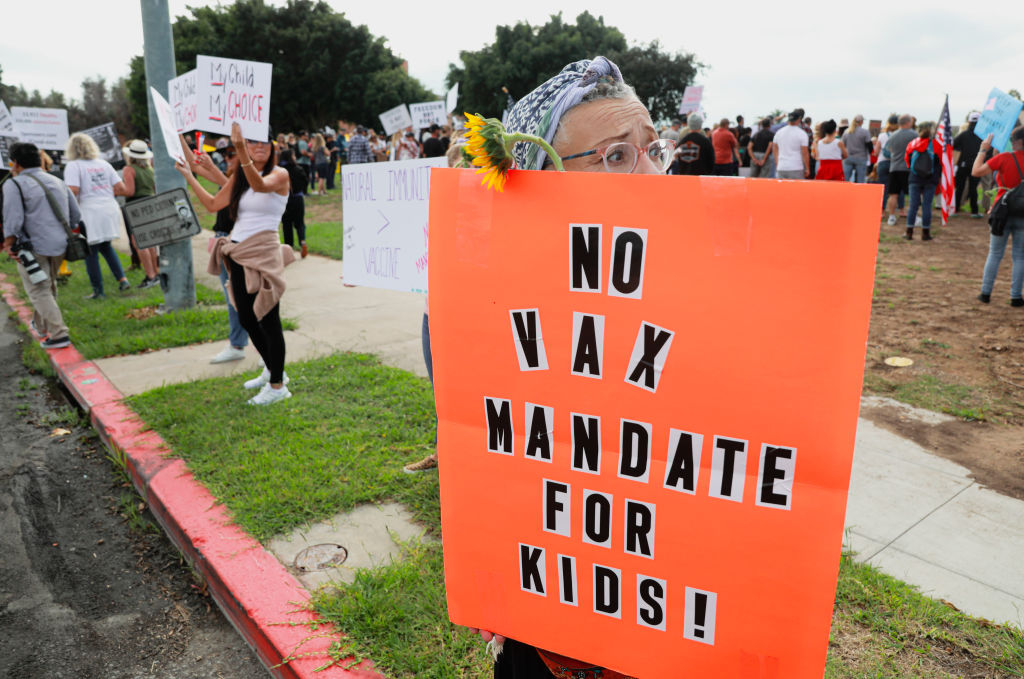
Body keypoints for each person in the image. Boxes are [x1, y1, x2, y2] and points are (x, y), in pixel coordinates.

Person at [470, 55, 670, 679]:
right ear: (543, 180)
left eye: (653, 150)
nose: (651, 173)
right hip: (549, 639)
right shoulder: (505, 315)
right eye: (615, 156)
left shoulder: (698, 292)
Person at [177, 122, 295, 404]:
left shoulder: (279, 175)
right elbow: (213, 204)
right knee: (245, 316)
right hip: (238, 251)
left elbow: (260, 184)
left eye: (264, 144)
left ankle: (278, 386)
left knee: (268, 316)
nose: (258, 148)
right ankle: (272, 370)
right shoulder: (240, 177)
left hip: (263, 251)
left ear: (273, 147)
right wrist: (188, 173)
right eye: (252, 143)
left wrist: (241, 150)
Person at [1, 142, 78, 349]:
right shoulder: (57, 180)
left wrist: (8, 244)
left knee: (39, 290)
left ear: (15, 163)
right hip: (61, 244)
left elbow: (13, 220)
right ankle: (42, 326)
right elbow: (75, 215)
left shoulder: (14, 185)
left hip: (31, 247)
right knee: (48, 286)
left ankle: (59, 334)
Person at [63, 132, 131, 299]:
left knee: (90, 251)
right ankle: (122, 279)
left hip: (89, 210)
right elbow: (121, 188)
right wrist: (104, 193)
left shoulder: (73, 166)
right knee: (106, 246)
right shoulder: (104, 164)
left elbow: (73, 190)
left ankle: (98, 291)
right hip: (108, 207)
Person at [973, 127, 1024, 306]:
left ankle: (985, 293)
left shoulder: (1004, 158)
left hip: (1001, 209)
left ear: (1015, 141)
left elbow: (976, 171)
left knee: (995, 253)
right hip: (1023, 213)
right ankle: (1016, 297)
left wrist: (983, 149)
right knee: (1020, 256)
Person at [120, 140, 160, 288]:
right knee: (150, 241)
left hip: (136, 205)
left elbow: (129, 191)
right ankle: (156, 272)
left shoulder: (129, 169)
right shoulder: (150, 169)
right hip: (150, 202)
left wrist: (116, 190)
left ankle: (150, 276)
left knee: (139, 242)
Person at [903, 121, 942, 240]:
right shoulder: (936, 144)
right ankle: (925, 233)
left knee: (913, 205)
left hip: (914, 178)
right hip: (930, 180)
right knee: (927, 206)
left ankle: (909, 232)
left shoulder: (912, 143)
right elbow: (940, 163)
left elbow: (907, 161)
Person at [884, 114, 917, 226]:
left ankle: (892, 217)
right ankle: (914, 217)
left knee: (893, 194)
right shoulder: (914, 135)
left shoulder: (892, 135)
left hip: (894, 167)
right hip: (908, 168)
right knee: (912, 194)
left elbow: (886, 151)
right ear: (908, 122)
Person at [277, 148, 308, 257]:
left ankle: (288, 249)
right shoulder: (298, 169)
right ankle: (302, 242)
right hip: (298, 198)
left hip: (283, 200)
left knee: (286, 224)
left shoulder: (278, 170)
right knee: (300, 223)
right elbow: (305, 181)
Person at [954, 112, 983, 218]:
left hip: (962, 165)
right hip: (976, 165)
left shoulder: (963, 134)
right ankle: (974, 211)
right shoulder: (982, 135)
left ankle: (955, 209)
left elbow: (953, 144)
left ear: (969, 121)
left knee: (960, 188)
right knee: (973, 188)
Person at [773, 109, 810, 179]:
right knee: (796, 189)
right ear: (799, 119)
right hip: (796, 166)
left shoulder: (779, 132)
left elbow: (775, 149)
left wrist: (778, 163)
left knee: (783, 189)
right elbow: (805, 152)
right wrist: (807, 168)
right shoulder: (802, 134)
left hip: (781, 166)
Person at [874, 114, 900, 213]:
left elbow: (876, 152)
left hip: (882, 162)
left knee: (883, 188)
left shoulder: (882, 135)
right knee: (896, 189)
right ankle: (900, 209)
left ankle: (882, 210)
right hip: (895, 163)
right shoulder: (899, 134)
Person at [841, 114, 871, 183]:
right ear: (861, 121)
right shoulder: (865, 132)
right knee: (860, 180)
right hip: (861, 157)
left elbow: (842, 144)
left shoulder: (847, 131)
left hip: (848, 157)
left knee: (846, 179)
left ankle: (844, 192)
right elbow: (869, 145)